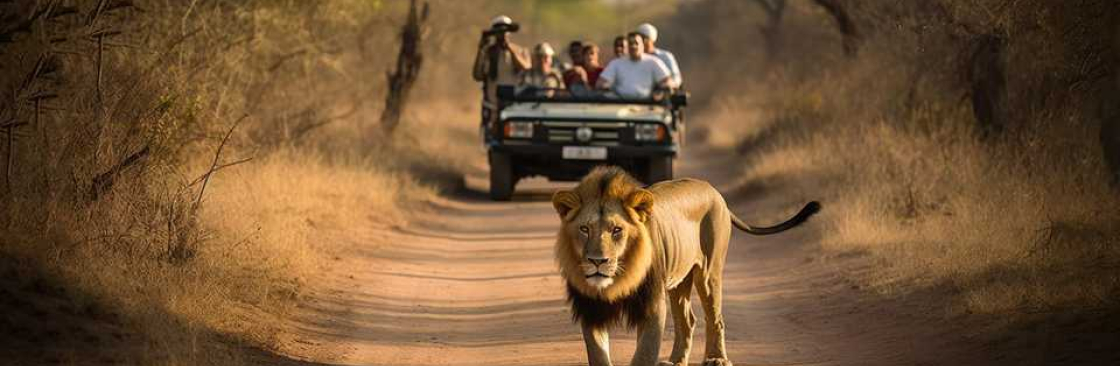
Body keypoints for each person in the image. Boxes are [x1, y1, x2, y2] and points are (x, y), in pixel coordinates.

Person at [473, 15, 531, 130]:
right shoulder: (488, 53)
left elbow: (525, 68)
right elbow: (477, 75)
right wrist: (481, 49)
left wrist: (509, 48)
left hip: (514, 105)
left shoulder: (520, 51)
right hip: (492, 105)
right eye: (499, 32)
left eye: (505, 31)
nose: (502, 35)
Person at [597, 32, 672, 99]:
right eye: (630, 43)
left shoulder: (653, 62)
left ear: (643, 45)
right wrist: (606, 89)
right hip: (620, 104)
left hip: (647, 106)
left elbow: (667, 81)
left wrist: (660, 91)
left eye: (636, 43)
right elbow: (601, 83)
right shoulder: (616, 63)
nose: (633, 46)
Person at [635, 23, 682, 87]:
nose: (642, 42)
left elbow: (676, 77)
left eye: (644, 38)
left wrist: (669, 85)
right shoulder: (633, 58)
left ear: (652, 40)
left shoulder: (665, 56)